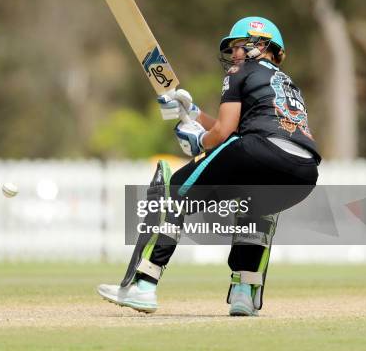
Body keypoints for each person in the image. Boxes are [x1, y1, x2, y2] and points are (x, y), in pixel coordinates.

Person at [97, 16, 320, 316]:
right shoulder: (287, 83)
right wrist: (193, 113)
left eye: (239, 47)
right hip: (303, 171)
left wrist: (200, 142)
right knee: (255, 208)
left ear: (260, 46)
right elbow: (239, 129)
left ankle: (144, 285)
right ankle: (244, 293)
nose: (234, 55)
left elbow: (225, 134)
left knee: (174, 188)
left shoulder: (240, 70)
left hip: (259, 149)